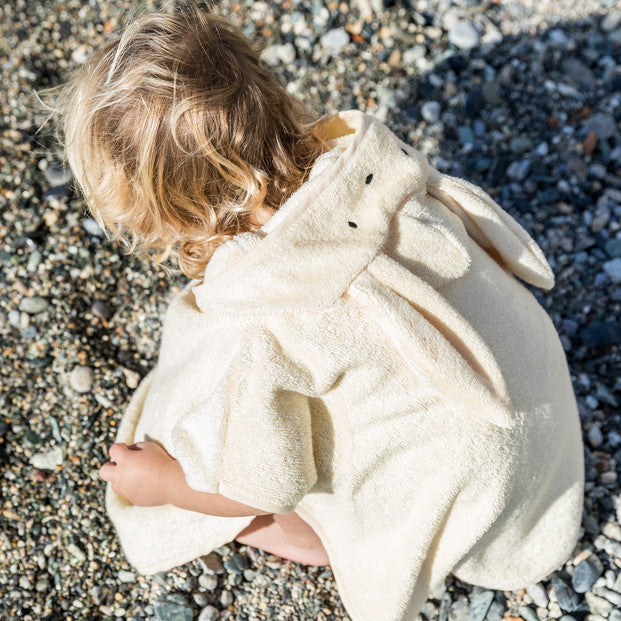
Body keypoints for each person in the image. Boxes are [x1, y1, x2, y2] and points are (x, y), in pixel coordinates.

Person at [38, 3, 584, 620]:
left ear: (162, 214)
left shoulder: (257, 319)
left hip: (456, 501)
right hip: (543, 445)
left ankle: (351, 544)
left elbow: (262, 481)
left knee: (265, 504)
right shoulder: (378, 174)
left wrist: (163, 484)